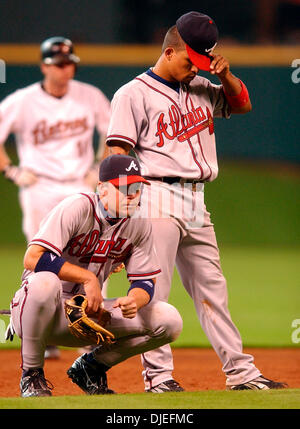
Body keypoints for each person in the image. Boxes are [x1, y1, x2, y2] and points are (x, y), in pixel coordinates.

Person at [106, 12, 288, 392]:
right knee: (153, 290)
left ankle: (242, 374)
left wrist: (223, 74)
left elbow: (241, 105)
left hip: (195, 200)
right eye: (190, 61)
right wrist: (117, 216)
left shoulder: (203, 85)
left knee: (213, 291)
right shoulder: (133, 93)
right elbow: (118, 154)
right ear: (169, 51)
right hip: (153, 196)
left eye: (201, 62)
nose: (195, 70)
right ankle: (158, 378)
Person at [6, 154, 182, 397]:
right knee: (44, 282)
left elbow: (144, 281)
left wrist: (135, 300)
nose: (132, 194)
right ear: (103, 189)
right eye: (124, 187)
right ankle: (32, 374)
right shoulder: (77, 207)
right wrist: (87, 279)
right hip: (41, 313)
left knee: (169, 320)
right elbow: (33, 257)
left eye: (137, 187)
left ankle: (91, 367)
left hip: (89, 315)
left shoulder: (139, 224)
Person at [0, 36, 111, 359]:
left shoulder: (89, 95)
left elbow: (111, 132)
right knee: (41, 260)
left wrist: (97, 167)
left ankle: (87, 324)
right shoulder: (23, 101)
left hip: (80, 183)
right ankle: (42, 329)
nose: (67, 69)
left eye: (70, 63)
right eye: (60, 63)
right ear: (44, 65)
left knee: (92, 256)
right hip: (39, 186)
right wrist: (11, 171)